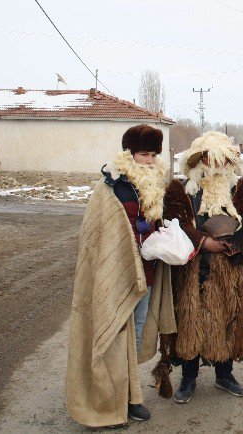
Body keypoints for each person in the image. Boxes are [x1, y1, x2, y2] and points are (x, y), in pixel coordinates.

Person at [66, 124, 176, 426]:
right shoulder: (110, 187)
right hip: (117, 275)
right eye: (144, 154)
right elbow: (96, 234)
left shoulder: (155, 187)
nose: (151, 161)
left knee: (136, 335)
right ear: (130, 154)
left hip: (147, 274)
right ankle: (106, 399)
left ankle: (129, 397)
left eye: (154, 154)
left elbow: (154, 225)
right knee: (113, 333)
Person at [158, 131, 243, 404]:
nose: (216, 166)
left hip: (227, 271)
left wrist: (235, 247)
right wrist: (204, 242)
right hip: (191, 269)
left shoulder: (240, 191)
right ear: (200, 160)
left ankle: (224, 374)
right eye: (210, 159)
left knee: (226, 321)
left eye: (221, 160)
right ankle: (189, 378)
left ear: (228, 162)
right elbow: (174, 223)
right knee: (190, 322)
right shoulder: (181, 190)